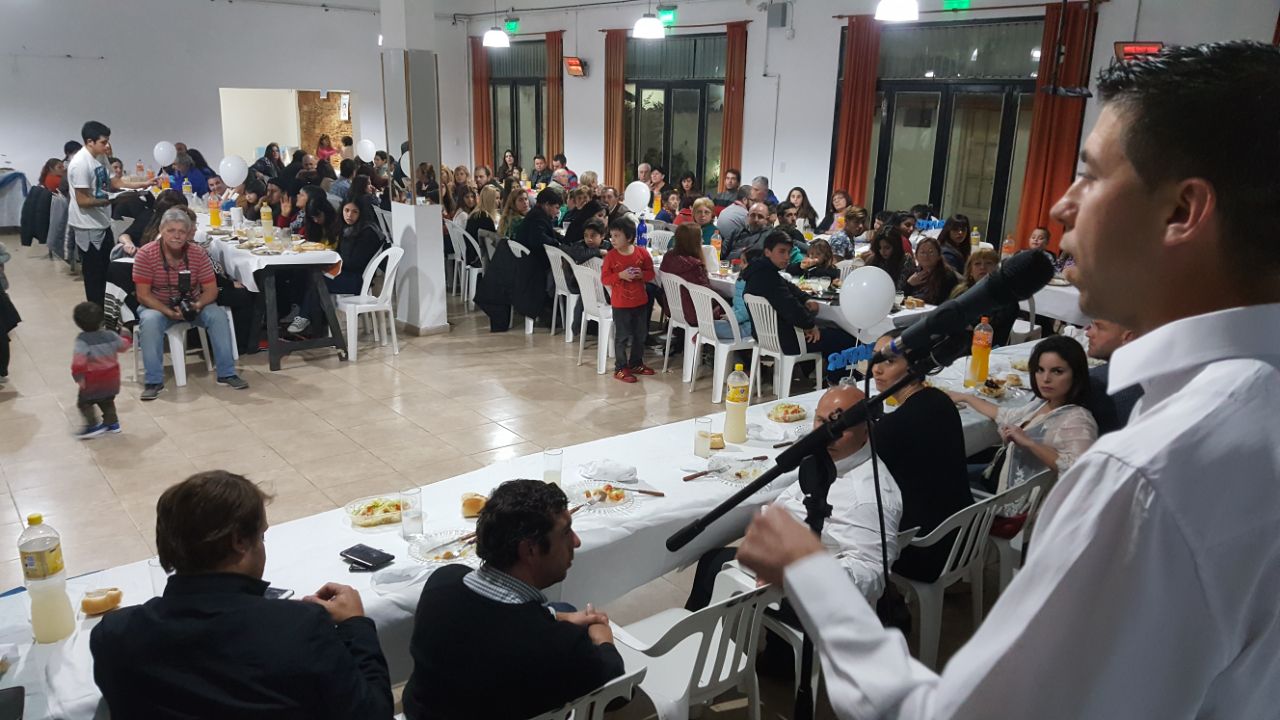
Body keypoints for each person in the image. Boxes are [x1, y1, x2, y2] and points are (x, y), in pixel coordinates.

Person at [91, 470, 393, 718]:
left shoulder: (114, 635)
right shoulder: (300, 626)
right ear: (239, 541)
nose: (263, 546)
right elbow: (373, 714)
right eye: (261, 536)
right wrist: (356, 625)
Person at [402, 479, 623, 720]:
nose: (576, 541)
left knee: (562, 608)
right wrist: (602, 637)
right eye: (566, 532)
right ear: (530, 550)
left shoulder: (442, 582)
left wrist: (559, 617)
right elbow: (617, 692)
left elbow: (495, 623)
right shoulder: (558, 647)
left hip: (424, 712)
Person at [685, 384, 904, 611]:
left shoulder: (868, 495)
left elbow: (872, 574)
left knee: (714, 569)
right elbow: (792, 500)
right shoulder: (831, 460)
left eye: (841, 427)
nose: (829, 435)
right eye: (821, 421)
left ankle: (706, 631)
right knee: (713, 561)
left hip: (817, 600)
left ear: (866, 431)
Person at [870, 329, 974, 582]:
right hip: (965, 531)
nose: (876, 369)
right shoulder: (940, 400)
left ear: (915, 365)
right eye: (875, 358)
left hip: (926, 548)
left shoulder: (894, 426)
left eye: (889, 361)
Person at [949, 336, 1097, 506]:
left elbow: (1081, 471)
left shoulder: (1078, 419)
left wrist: (1030, 443)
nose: (1045, 378)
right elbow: (1005, 415)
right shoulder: (1042, 404)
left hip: (1003, 502)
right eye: (1040, 370)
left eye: (1057, 371)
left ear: (1076, 375)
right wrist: (966, 398)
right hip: (995, 476)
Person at [133, 209, 247, 399]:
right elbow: (143, 295)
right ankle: (153, 381)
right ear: (161, 230)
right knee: (150, 321)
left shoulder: (197, 253)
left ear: (188, 233)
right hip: (157, 305)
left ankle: (227, 373)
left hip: (193, 303)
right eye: (171, 230)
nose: (176, 236)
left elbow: (211, 290)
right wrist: (168, 311)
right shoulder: (146, 254)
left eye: (181, 231)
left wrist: (197, 305)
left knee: (218, 315)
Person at [67, 121, 157, 306]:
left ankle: (108, 308)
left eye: (108, 141)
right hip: (87, 225)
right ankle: (96, 311)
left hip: (102, 221)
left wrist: (142, 185)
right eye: (103, 142)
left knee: (106, 269)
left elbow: (115, 183)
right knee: (94, 274)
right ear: (90, 142)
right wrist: (112, 200)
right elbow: (82, 201)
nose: (107, 146)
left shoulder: (100, 157)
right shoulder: (80, 164)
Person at [741, 232, 856, 371]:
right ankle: (836, 379)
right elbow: (791, 308)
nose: (787, 257)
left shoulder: (759, 271)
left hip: (765, 337)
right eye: (781, 251)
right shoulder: (768, 277)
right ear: (767, 252)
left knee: (825, 332)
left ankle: (813, 373)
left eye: (788, 252)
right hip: (786, 340)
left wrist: (806, 298)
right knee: (846, 338)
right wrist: (810, 325)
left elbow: (789, 287)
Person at [288, 196, 388, 335]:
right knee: (310, 276)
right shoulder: (348, 228)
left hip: (358, 280)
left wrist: (333, 260)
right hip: (345, 273)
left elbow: (355, 263)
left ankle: (306, 318)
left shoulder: (367, 232)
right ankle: (313, 323)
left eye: (354, 212)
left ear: (361, 213)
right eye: (346, 210)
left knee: (317, 280)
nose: (349, 215)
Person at [602, 217, 655, 382]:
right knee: (622, 337)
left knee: (640, 334)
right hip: (620, 304)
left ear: (630, 237)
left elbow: (651, 273)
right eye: (611, 235)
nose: (612, 239)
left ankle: (636, 363)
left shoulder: (642, 253)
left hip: (640, 301)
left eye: (617, 236)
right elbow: (604, 279)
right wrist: (620, 275)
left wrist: (641, 275)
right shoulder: (611, 257)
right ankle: (620, 367)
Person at [660, 224, 734, 340]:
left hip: (673, 309)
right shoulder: (694, 266)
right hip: (694, 314)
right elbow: (705, 294)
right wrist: (722, 295)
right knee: (730, 302)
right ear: (693, 242)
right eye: (700, 238)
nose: (703, 241)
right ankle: (714, 345)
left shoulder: (668, 257)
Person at [70, 301, 131, 438]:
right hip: (112, 379)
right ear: (101, 320)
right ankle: (113, 424)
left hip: (93, 380)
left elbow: (78, 363)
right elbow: (124, 346)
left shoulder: (82, 340)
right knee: (107, 401)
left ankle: (92, 426)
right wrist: (126, 334)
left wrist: (78, 377)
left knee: (84, 403)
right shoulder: (111, 335)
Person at [1084, 319, 1142, 435]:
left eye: (1099, 328)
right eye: (1091, 325)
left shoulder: (1094, 380)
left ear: (1127, 337)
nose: (1088, 333)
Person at [951, 248, 1016, 346]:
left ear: (997, 269)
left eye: (988, 263)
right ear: (970, 271)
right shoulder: (960, 291)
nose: (982, 267)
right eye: (977, 264)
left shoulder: (1005, 297)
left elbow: (992, 328)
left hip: (987, 346)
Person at [904, 237, 958, 306]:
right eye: (922, 252)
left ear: (939, 255)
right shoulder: (913, 273)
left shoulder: (947, 276)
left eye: (931, 252)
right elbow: (898, 299)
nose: (926, 256)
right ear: (916, 256)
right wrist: (909, 284)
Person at [865, 226, 913, 291]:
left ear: (896, 246)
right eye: (879, 247)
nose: (882, 251)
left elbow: (899, 290)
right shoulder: (874, 259)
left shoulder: (905, 260)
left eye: (887, 248)